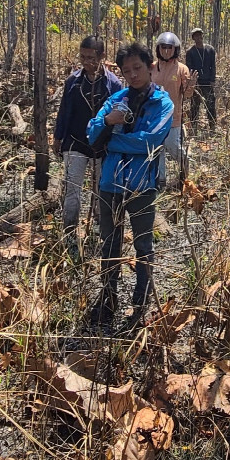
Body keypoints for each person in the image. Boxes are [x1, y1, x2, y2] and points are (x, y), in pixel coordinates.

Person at [86, 42, 174, 329]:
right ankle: (109, 295)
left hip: (142, 185)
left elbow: (149, 141)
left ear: (150, 67)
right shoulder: (116, 99)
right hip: (110, 183)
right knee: (109, 242)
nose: (133, 75)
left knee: (143, 243)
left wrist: (109, 138)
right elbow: (91, 132)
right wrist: (109, 122)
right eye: (127, 71)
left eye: (138, 68)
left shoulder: (163, 103)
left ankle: (142, 296)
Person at [53, 35, 122, 258]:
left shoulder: (113, 84)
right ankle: (69, 233)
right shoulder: (73, 82)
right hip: (75, 141)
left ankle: (101, 230)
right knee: (72, 189)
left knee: (103, 191)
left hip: (104, 145)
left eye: (91, 57)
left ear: (102, 57)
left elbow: (118, 115)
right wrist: (58, 138)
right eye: (82, 57)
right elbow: (64, 112)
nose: (86, 62)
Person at [149, 32, 194, 188]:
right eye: (163, 47)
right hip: (154, 117)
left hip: (173, 117)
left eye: (170, 47)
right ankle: (160, 181)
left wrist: (191, 86)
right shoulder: (152, 67)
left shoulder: (182, 69)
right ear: (158, 48)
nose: (166, 50)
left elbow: (188, 94)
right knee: (157, 149)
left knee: (173, 147)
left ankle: (185, 168)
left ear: (175, 49)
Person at [185, 27, 217, 133]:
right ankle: (193, 128)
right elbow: (189, 68)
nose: (198, 37)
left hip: (208, 82)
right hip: (196, 83)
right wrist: (192, 82)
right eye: (196, 36)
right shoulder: (190, 52)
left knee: (211, 105)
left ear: (202, 36)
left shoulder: (210, 49)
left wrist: (212, 79)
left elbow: (213, 65)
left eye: (200, 35)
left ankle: (213, 127)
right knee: (194, 106)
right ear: (193, 38)